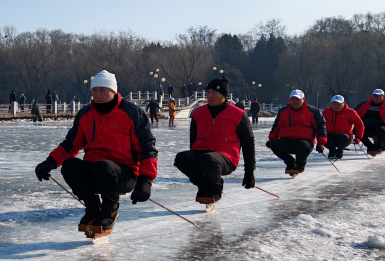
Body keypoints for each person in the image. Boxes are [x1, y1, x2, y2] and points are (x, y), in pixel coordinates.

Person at [35, 70, 157, 234]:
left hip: (124, 174)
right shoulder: (86, 114)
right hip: (96, 170)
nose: (97, 95)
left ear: (113, 91)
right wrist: (48, 163)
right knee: (70, 165)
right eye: (94, 90)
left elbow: (147, 148)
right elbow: (70, 145)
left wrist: (145, 181)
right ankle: (92, 207)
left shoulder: (132, 114)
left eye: (102, 90)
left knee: (104, 167)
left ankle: (110, 209)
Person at [174, 77, 255, 205]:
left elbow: (248, 144)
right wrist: (192, 163)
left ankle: (216, 187)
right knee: (181, 158)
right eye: (208, 92)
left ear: (223, 95)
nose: (209, 96)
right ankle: (203, 185)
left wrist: (249, 171)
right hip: (201, 153)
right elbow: (193, 139)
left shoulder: (238, 115)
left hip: (226, 157)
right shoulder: (198, 112)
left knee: (208, 159)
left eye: (214, 93)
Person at [267, 90, 326, 175]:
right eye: (293, 99)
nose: (295, 102)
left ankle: (300, 165)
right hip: (286, 139)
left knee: (301, 145)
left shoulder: (313, 111)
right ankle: (290, 162)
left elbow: (320, 127)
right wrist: (272, 139)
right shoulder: (283, 111)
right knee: (275, 145)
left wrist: (321, 143)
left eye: (297, 99)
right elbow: (276, 126)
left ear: (303, 99)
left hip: (304, 141)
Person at [354, 89, 385, 156]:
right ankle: (370, 147)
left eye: (379, 96)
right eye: (375, 96)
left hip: (380, 126)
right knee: (358, 131)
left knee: (383, 131)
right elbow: (354, 112)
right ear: (372, 96)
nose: (377, 98)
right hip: (366, 125)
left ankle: (378, 149)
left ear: (383, 96)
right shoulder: (364, 104)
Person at [321, 95, 364, 159]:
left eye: (339, 104)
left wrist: (358, 137)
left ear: (343, 103)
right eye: (334, 104)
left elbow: (359, 125)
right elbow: (319, 123)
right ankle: (332, 150)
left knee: (342, 137)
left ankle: (339, 150)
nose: (336, 106)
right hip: (330, 136)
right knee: (324, 137)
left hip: (344, 137)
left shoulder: (350, 112)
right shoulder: (326, 111)